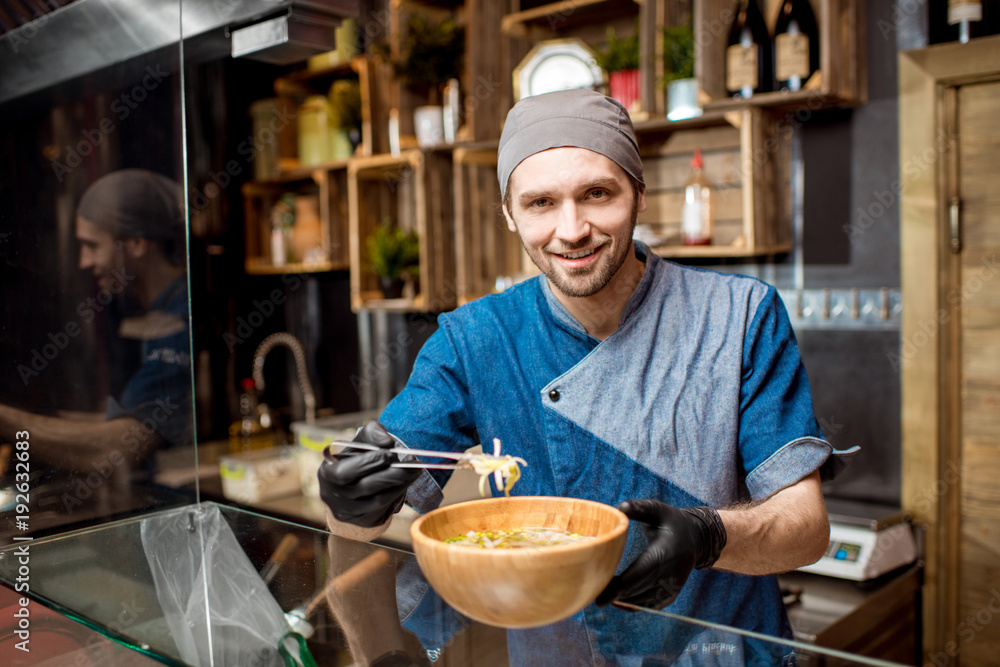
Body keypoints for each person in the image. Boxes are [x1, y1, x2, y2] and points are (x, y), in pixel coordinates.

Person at [318, 89, 855, 664]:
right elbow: (358, 522)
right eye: (540, 203)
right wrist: (349, 498)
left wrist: (708, 536)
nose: (572, 230)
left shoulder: (740, 316)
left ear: (640, 194)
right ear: (508, 213)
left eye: (597, 194)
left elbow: (805, 528)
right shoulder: (475, 340)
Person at [0, 169, 192, 482]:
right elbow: (124, 419)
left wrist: (6, 420)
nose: (84, 262)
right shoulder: (154, 311)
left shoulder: (178, 319)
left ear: (137, 243)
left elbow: (115, 449)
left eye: (92, 245)